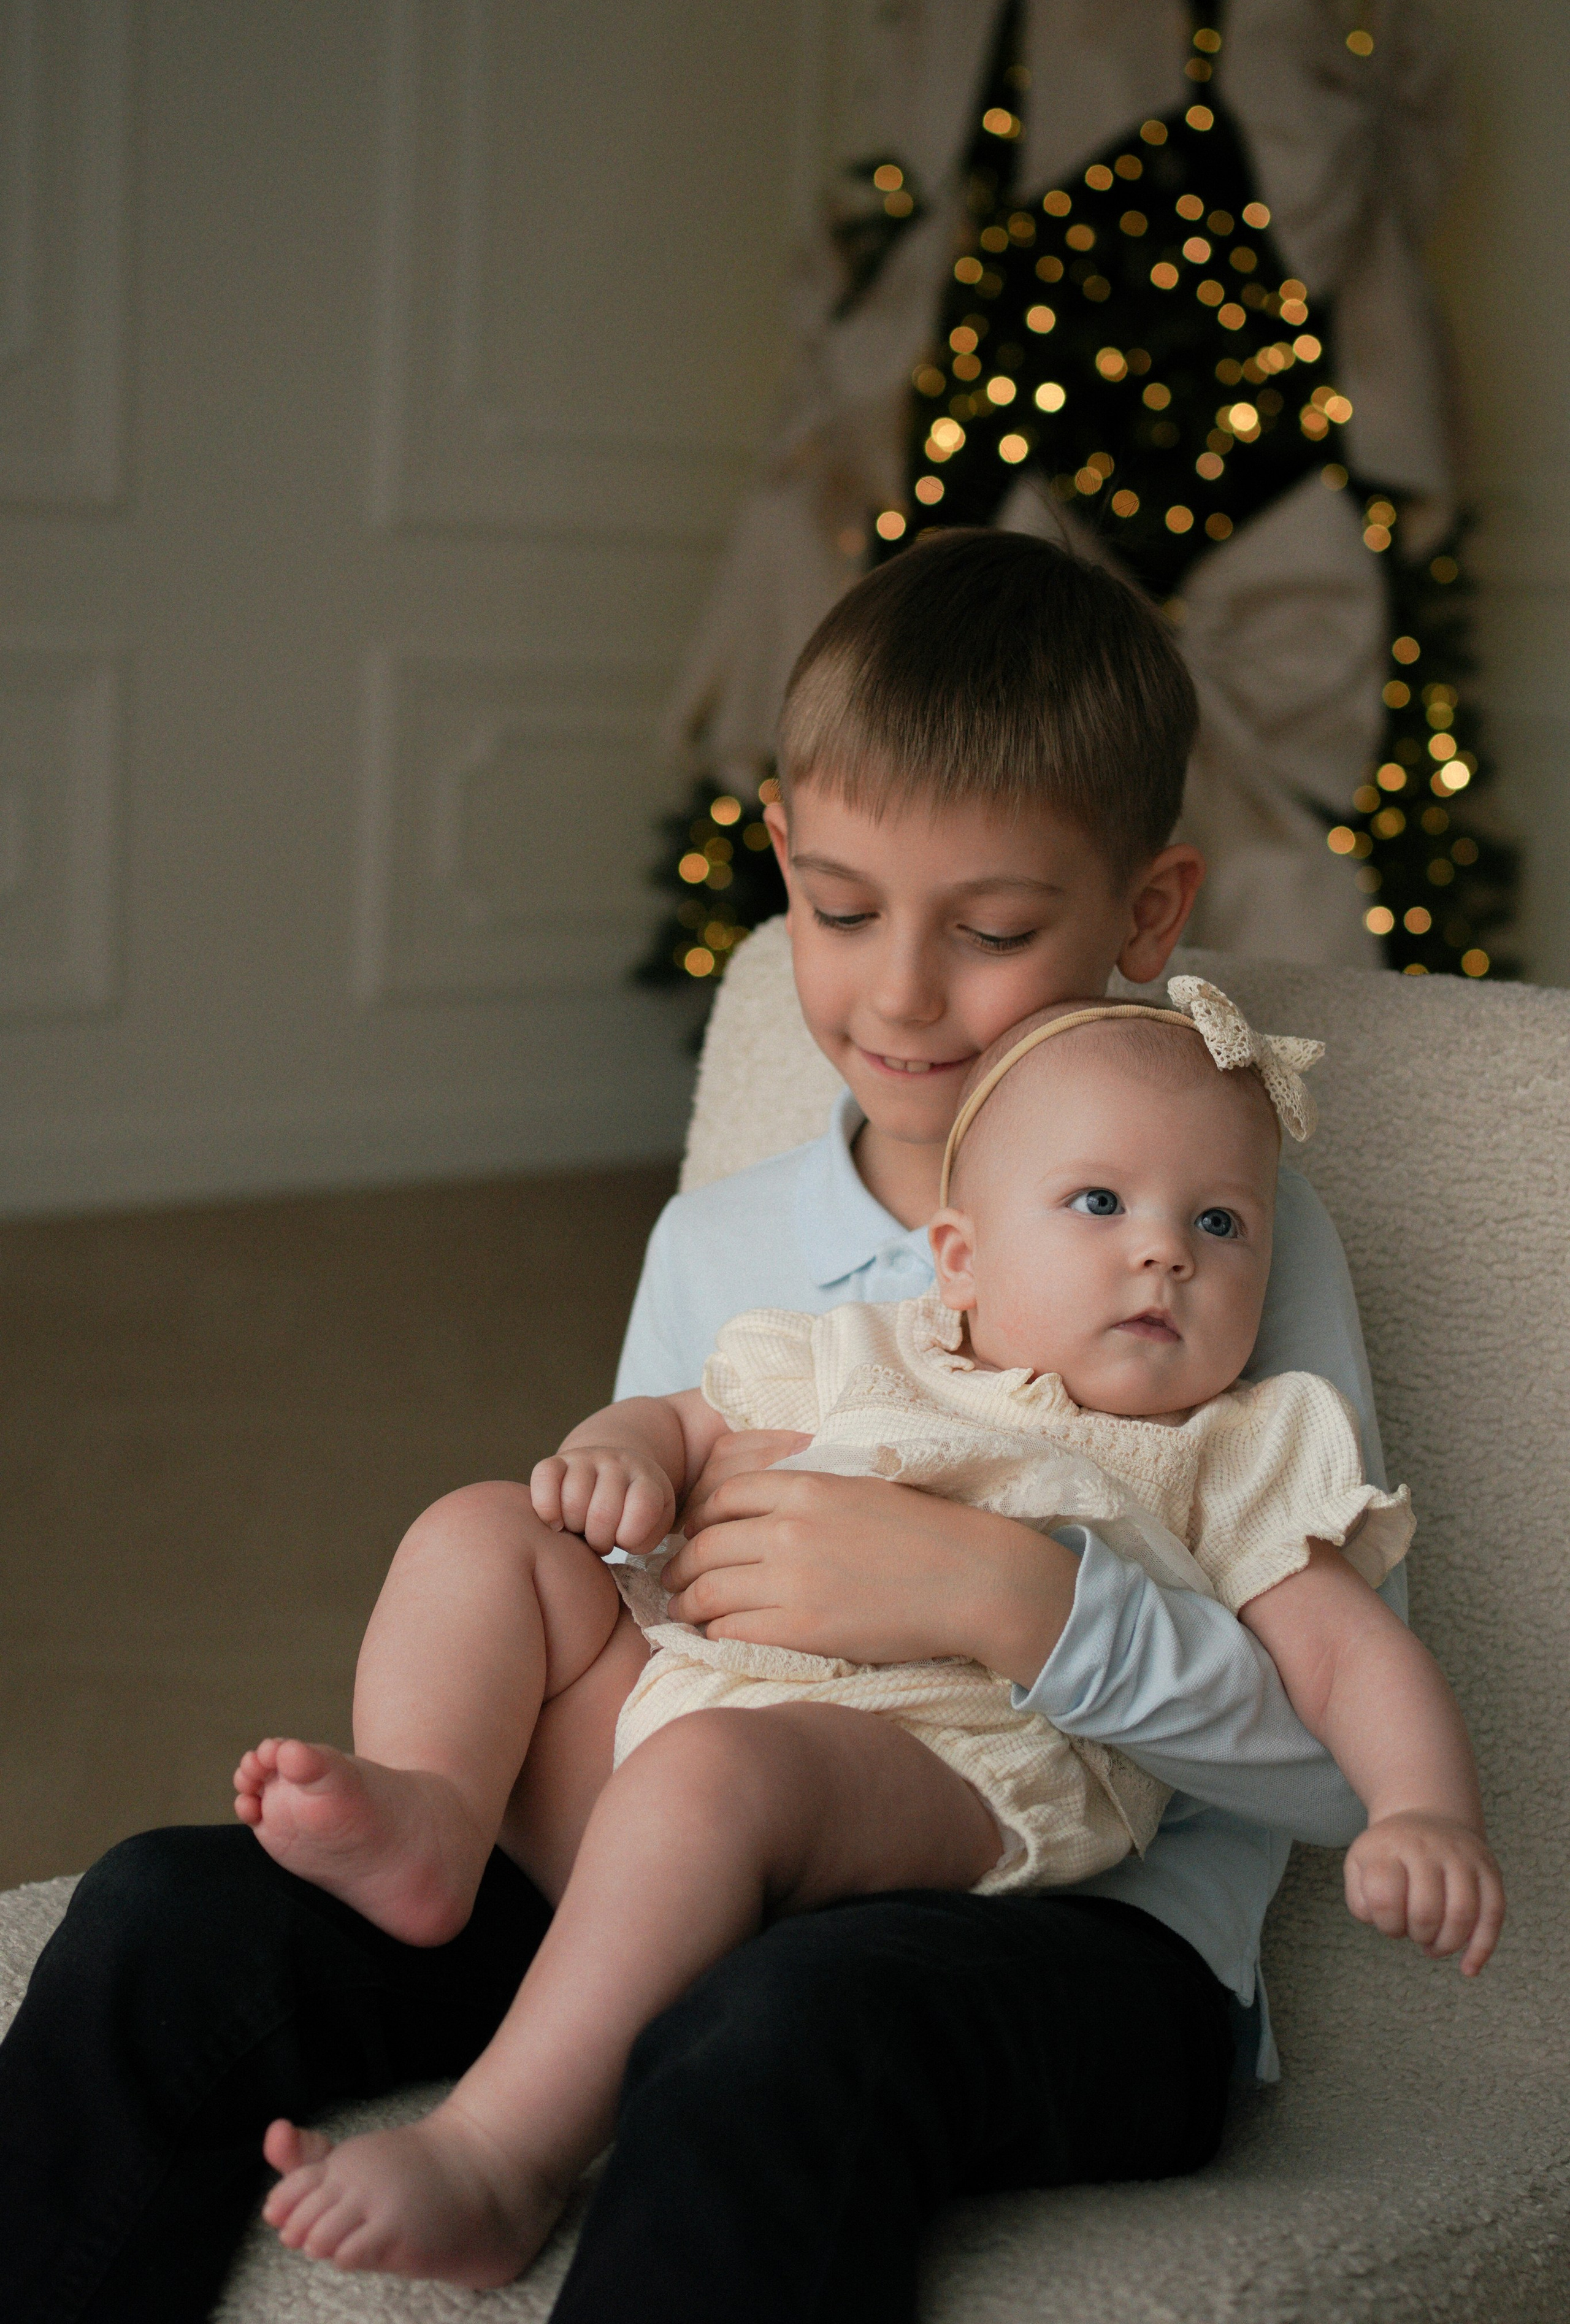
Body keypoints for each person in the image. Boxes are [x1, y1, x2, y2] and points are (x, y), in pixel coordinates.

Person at [0, 532, 1441, 2323]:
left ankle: (517, 2147)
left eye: (990, 933)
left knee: (777, 2032)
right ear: (782, 860)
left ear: (1146, 915)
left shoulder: (1214, 1240)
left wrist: (1016, 1602)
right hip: (687, 1830)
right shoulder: (729, 1244)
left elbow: (1333, 1765)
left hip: (1067, 1929)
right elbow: (636, 1616)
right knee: (163, 1918)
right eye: (841, 911)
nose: (901, 996)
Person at [247, 975, 1503, 2282]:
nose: (1162, 1251)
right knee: (480, 1530)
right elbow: (684, 1421)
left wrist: (1424, 1810)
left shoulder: (1226, 1446)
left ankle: (498, 2157)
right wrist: (614, 1455)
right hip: (685, 1707)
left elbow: (1347, 1655)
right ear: (958, 1257)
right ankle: (434, 1816)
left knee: (712, 1778)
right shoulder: (869, 1349)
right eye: (1096, 1203)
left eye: (1219, 1222)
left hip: (953, 1777)